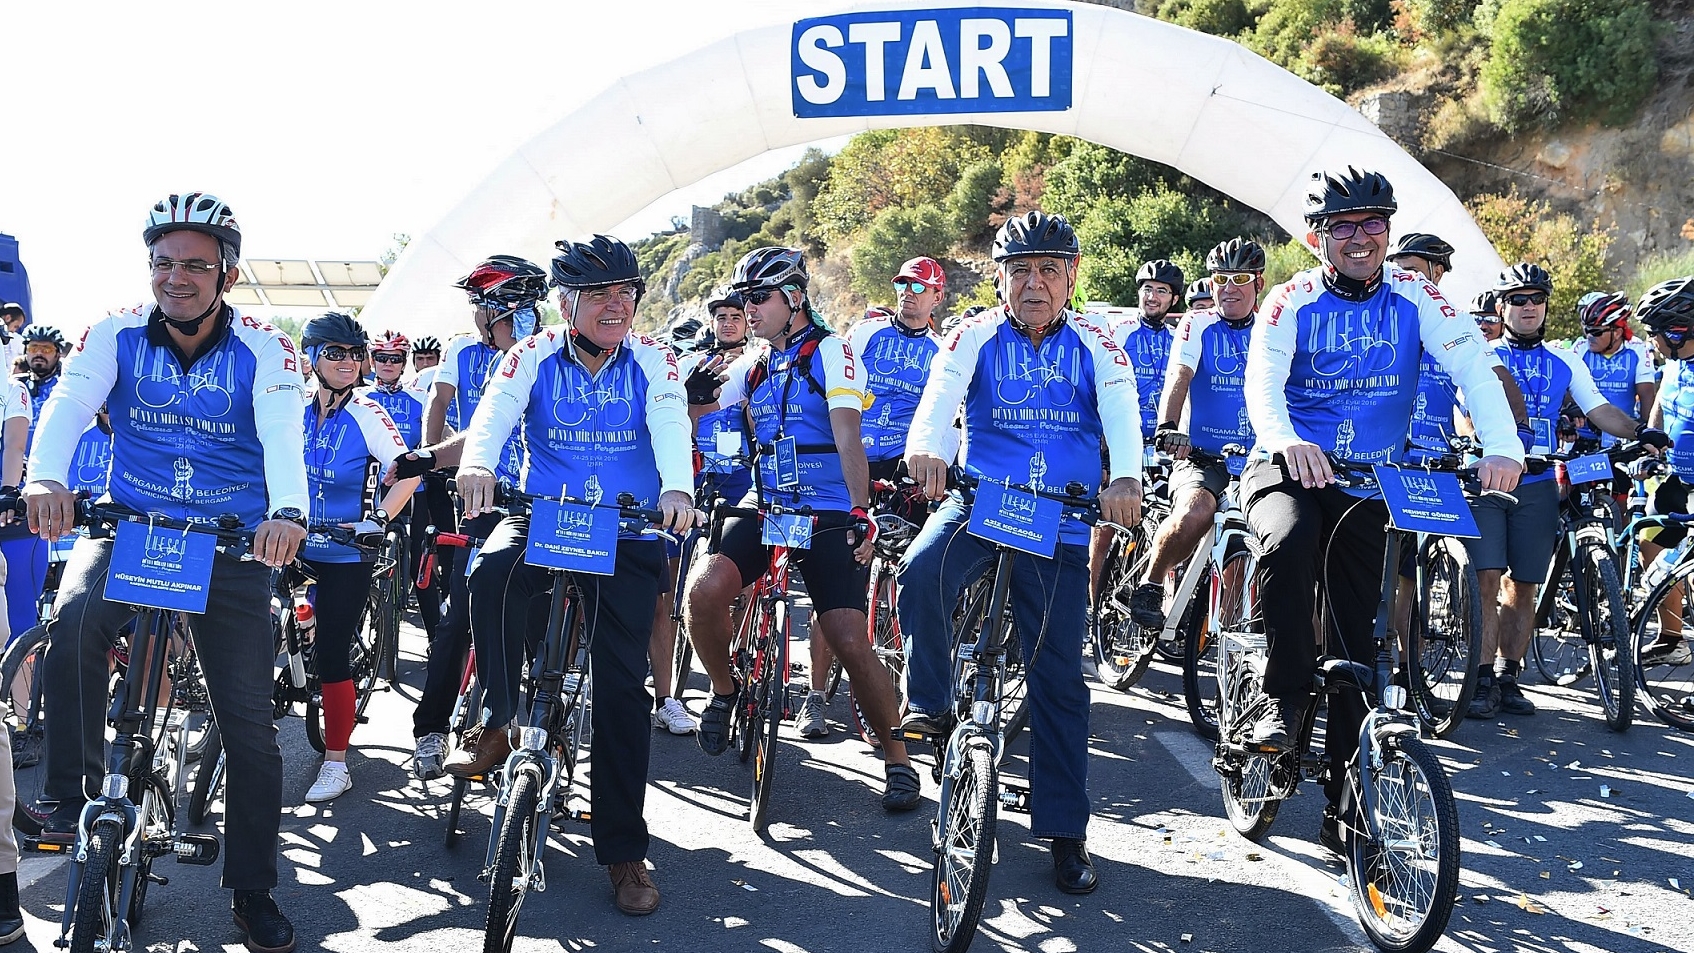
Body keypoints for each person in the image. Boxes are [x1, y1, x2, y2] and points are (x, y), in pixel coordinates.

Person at [23, 192, 307, 952]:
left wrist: (289, 511)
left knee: (250, 727)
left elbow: (282, 430)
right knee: (72, 621)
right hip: (135, 525)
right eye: (162, 263)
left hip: (230, 542)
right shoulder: (114, 331)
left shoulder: (268, 347)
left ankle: (252, 889)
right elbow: (69, 403)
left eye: (194, 265)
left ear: (228, 274)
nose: (175, 277)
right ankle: (71, 791)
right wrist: (46, 476)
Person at [1241, 168, 1523, 856]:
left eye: (1374, 224)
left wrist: (1503, 445)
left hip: (1373, 481)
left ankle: (1347, 806)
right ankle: (1280, 694)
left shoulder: (1416, 296)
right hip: (1292, 468)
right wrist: (1286, 440)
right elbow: (1263, 380)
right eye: (1345, 227)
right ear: (1318, 238)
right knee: (1288, 542)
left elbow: (1473, 368)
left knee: (1358, 648)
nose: (1362, 238)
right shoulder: (1291, 299)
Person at [899, 211, 1145, 894]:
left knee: (1059, 681)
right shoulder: (971, 334)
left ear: (1070, 277)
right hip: (980, 503)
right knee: (920, 569)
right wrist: (927, 449)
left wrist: (1124, 475)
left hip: (1061, 521)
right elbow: (940, 396)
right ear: (1000, 279)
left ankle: (1066, 832)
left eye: (1047, 270)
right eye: (1019, 271)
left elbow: (1122, 411)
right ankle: (931, 703)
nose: (1033, 283)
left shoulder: (1100, 343)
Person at [449, 234, 694, 916]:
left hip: (626, 527)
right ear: (565, 304)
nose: (617, 305)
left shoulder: (655, 358)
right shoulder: (531, 353)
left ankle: (623, 850)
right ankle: (498, 718)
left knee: (622, 691)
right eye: (600, 295)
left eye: (627, 293)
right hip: (546, 516)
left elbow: (672, 421)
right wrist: (477, 465)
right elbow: (494, 414)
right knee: (489, 569)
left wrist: (677, 486)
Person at [681, 245, 919, 810]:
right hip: (766, 505)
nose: (748, 309)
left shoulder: (830, 352)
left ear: (792, 298)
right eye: (742, 299)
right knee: (703, 591)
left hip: (827, 510)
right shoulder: (754, 364)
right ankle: (724, 691)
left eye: (757, 298)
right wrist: (693, 402)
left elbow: (848, 437)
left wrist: (859, 511)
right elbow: (705, 426)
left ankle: (897, 758)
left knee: (847, 640)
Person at [1460, 264, 1663, 718]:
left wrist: (1639, 433)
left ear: (1546, 306)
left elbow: (1599, 409)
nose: (1527, 306)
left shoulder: (1564, 358)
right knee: (1486, 578)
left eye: (1535, 299)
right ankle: (1481, 677)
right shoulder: (1481, 352)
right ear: (1502, 307)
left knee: (1523, 584)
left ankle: (1510, 676)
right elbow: (1465, 412)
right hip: (1488, 480)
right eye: (1517, 299)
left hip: (1537, 481)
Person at [409, 256, 541, 780]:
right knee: (459, 616)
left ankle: (533, 723)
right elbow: (439, 405)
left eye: (477, 302)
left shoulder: (542, 353)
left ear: (498, 307)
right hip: (474, 495)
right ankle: (431, 728)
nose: (472, 311)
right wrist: (428, 460)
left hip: (528, 497)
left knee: (533, 619)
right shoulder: (461, 351)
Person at [295, 314, 417, 802]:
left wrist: (380, 520)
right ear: (312, 358)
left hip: (347, 549)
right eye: (335, 353)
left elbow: (407, 473)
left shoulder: (367, 413)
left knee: (331, 651)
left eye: (354, 353)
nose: (348, 362)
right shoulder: (292, 409)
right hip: (291, 540)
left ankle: (336, 762)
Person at [1129, 239, 1262, 629]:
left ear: (1259, 282)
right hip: (1200, 452)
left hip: (1255, 458)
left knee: (1252, 533)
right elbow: (1180, 374)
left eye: (1240, 278)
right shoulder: (1199, 322)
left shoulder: (1272, 326)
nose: (1229, 288)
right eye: (1221, 278)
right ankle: (1152, 584)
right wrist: (1169, 426)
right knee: (1197, 511)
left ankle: (1228, 631)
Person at [1633, 277, 1694, 665]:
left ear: (1678, 331)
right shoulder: (1673, 363)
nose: (1651, 340)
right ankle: (1672, 638)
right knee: (1650, 544)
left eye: (1656, 331)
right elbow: (1661, 404)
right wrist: (1649, 442)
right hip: (1676, 477)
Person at [1571, 292, 1655, 450]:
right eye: (1587, 330)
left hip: (1622, 436)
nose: (1589, 336)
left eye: (1596, 332)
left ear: (1617, 332)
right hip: (1584, 435)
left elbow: (1646, 394)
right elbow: (1566, 387)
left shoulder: (1636, 349)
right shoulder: (1580, 347)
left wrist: (1647, 431)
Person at [1115, 260, 1184, 445]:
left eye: (1161, 291)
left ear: (1174, 299)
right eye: (1147, 289)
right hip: (1126, 438)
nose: (1152, 297)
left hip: (1165, 441)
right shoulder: (1121, 331)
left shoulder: (1177, 338)